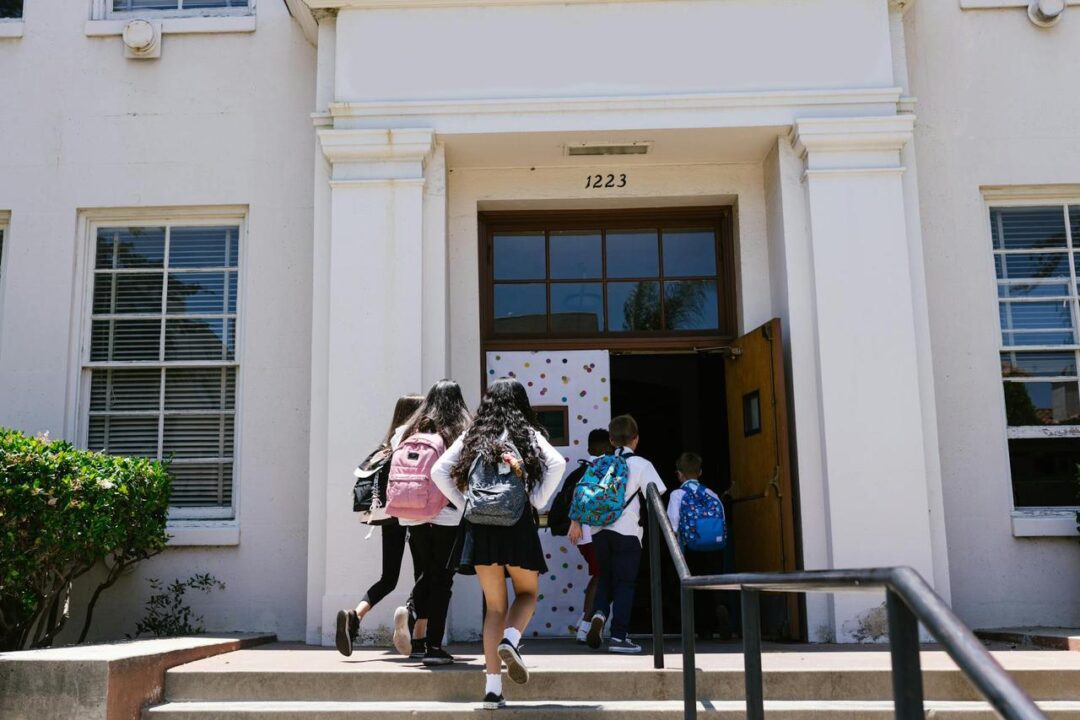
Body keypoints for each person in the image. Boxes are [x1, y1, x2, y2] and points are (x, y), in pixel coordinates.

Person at [431, 378, 567, 710]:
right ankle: (511, 640)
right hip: (517, 524)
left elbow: (439, 471)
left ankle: (493, 690)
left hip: (480, 527)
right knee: (527, 594)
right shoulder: (528, 434)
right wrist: (535, 500)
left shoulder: (473, 435)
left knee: (494, 608)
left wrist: (466, 502)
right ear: (521, 403)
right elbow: (558, 463)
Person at [335, 394, 424, 658]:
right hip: (416, 512)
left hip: (389, 514)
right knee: (425, 574)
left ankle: (355, 614)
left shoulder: (387, 444)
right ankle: (418, 635)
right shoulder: (417, 442)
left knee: (389, 577)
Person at [570, 414, 666, 654]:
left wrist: (577, 522)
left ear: (611, 440)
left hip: (599, 530)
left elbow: (581, 493)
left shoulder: (600, 463)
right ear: (636, 439)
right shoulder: (642, 464)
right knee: (625, 583)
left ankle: (600, 613)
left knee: (605, 577)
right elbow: (657, 495)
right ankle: (619, 637)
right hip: (627, 531)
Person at [395, 380, 472, 667]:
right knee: (442, 579)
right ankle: (434, 646)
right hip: (447, 514)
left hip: (411, 513)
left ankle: (411, 614)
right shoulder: (461, 431)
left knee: (426, 572)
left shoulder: (407, 431)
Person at [554, 428, 609, 643]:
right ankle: (586, 626)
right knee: (601, 577)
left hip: (582, 537)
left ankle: (583, 621)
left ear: (588, 448)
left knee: (598, 575)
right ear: (610, 447)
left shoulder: (579, 472)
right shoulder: (605, 470)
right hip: (597, 533)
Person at [666, 451, 729, 640]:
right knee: (711, 585)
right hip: (713, 548)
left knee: (689, 586)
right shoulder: (711, 493)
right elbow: (722, 520)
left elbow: (673, 524)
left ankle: (698, 627)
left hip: (689, 548)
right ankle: (718, 611)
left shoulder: (677, 494)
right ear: (700, 472)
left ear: (679, 474)